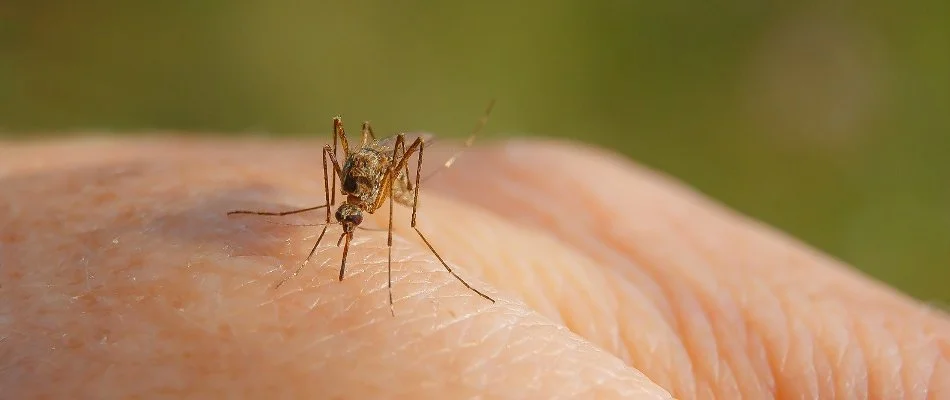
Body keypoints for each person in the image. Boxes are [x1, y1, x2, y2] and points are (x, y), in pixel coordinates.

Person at [1, 137, 946, 398]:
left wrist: (398, 218)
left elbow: (373, 173)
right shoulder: (341, 193)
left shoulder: (377, 185)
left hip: (390, 174)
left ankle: (418, 235)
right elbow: (338, 178)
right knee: (340, 155)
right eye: (346, 215)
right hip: (362, 168)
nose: (346, 224)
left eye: (347, 215)